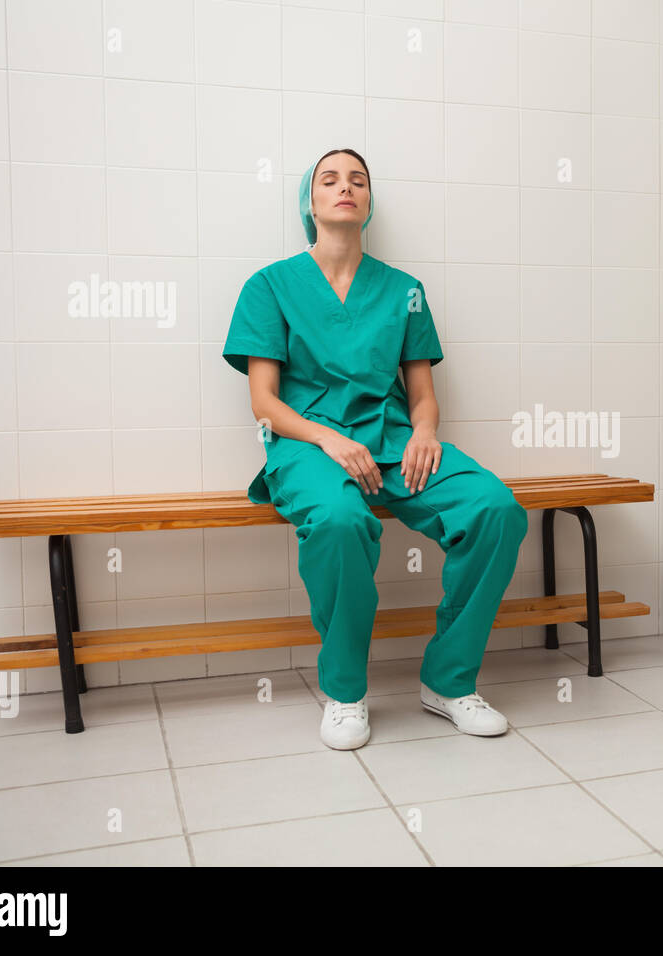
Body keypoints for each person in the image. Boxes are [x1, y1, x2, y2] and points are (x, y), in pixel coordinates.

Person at [222, 147, 529, 751]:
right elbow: (265, 402)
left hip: (393, 442)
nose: (345, 188)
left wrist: (424, 432)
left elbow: (422, 395)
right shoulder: (270, 287)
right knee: (339, 520)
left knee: (494, 509)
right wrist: (329, 439)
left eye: (357, 180)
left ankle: (449, 681)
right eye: (329, 180)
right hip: (308, 446)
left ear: (368, 202)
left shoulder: (404, 291)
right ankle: (344, 694)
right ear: (309, 203)